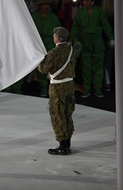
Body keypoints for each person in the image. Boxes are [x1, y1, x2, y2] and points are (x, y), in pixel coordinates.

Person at [38, 27, 76, 155]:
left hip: (58, 87)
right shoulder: (70, 49)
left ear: (58, 38)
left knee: (57, 115)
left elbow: (43, 69)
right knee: (67, 114)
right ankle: (67, 144)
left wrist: (40, 61)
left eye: (54, 36)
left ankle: (62, 146)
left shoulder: (53, 52)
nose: (53, 37)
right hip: (69, 85)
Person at [70, 0, 114, 98]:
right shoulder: (80, 13)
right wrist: (70, 40)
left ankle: (97, 88)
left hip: (97, 42)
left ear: (92, 1)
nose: (85, 2)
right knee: (86, 68)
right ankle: (87, 88)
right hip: (85, 42)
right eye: (84, 0)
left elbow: (105, 25)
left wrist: (111, 38)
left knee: (98, 67)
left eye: (87, 0)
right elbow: (75, 27)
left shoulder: (99, 11)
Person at [32, 0, 62, 97]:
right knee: (40, 66)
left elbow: (58, 32)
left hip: (50, 42)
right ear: (39, 6)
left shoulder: (53, 17)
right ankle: (43, 86)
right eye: (44, 4)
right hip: (39, 43)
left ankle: (52, 87)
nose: (46, 6)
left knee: (52, 66)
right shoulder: (34, 17)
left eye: (47, 4)